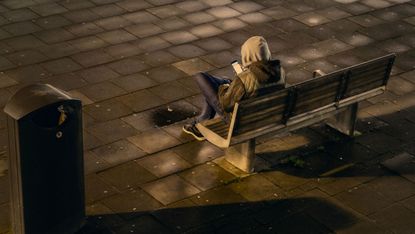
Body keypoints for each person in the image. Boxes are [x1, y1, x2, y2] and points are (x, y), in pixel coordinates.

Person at [183, 36, 286, 140]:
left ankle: (202, 122)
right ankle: (202, 119)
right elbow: (259, 84)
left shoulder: (245, 78)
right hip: (267, 117)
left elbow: (226, 104)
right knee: (223, 81)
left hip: (241, 123)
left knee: (201, 77)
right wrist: (243, 76)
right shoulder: (280, 71)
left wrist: (228, 85)